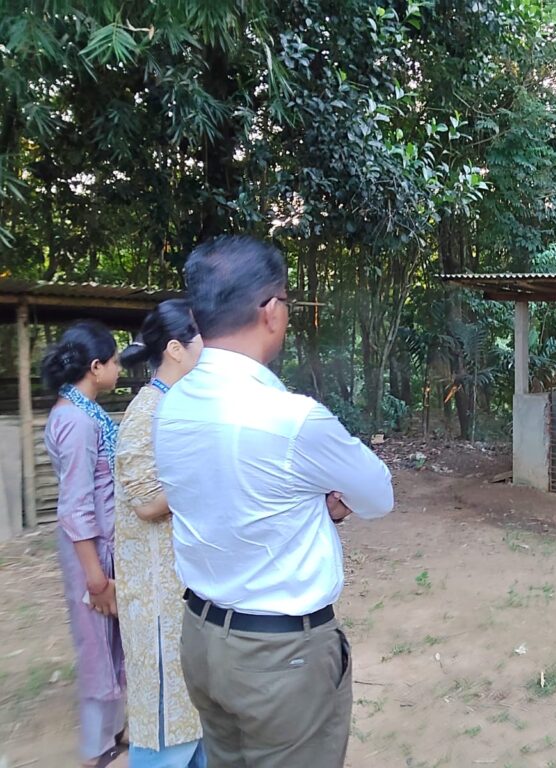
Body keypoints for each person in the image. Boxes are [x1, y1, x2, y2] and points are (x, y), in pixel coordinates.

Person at [154, 236, 394, 768]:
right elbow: (378, 494)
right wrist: (329, 504)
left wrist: (308, 506)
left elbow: (231, 499)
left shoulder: (170, 408)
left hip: (201, 637)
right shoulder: (291, 418)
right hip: (279, 657)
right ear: (270, 311)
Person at [113, 300, 206, 768]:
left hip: (180, 588)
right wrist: (208, 468)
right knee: (166, 722)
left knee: (194, 716)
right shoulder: (146, 411)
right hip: (156, 596)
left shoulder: (175, 405)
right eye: (201, 336)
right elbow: (148, 503)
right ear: (175, 349)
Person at [41, 321, 128, 767]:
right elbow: (75, 504)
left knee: (113, 639)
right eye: (114, 362)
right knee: (97, 642)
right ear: (95, 367)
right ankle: (95, 750)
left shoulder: (81, 412)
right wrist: (95, 576)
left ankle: (113, 732)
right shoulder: (76, 421)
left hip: (100, 543)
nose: (119, 369)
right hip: (88, 549)